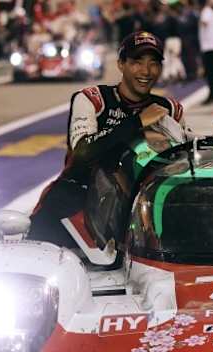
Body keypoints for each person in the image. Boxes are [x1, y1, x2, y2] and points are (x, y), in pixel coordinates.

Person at [29, 31, 186, 249]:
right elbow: (82, 152)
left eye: (154, 63)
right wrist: (137, 122)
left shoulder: (169, 109)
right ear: (121, 64)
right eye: (136, 62)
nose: (146, 71)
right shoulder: (92, 100)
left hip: (143, 206)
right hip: (76, 200)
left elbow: (186, 156)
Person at [198, 0, 213, 105]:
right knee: (212, 72)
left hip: (209, 47)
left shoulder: (206, 11)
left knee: (210, 73)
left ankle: (212, 95)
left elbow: (204, 22)